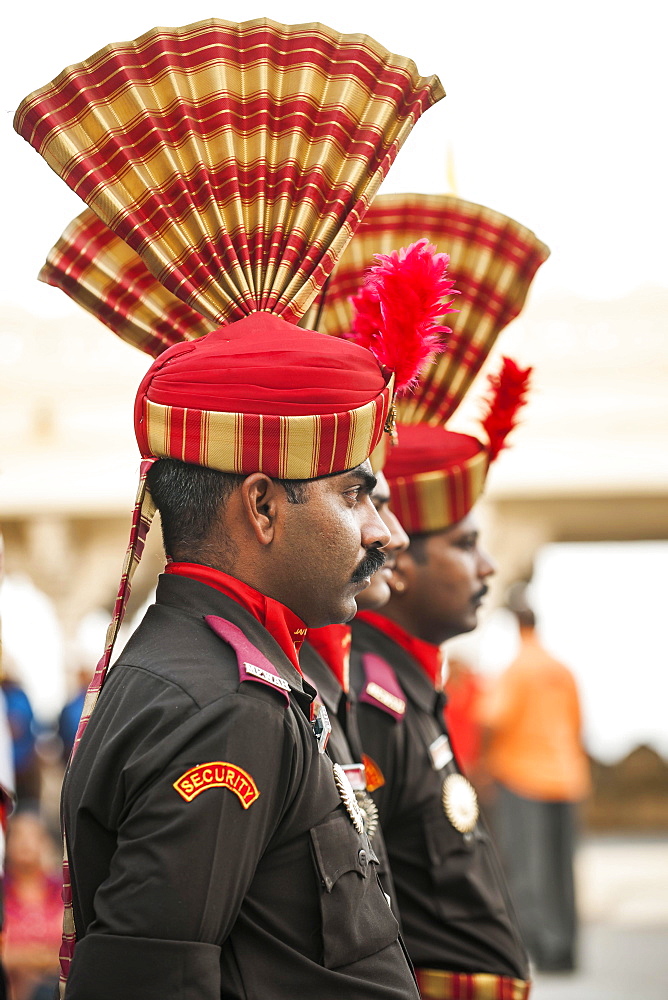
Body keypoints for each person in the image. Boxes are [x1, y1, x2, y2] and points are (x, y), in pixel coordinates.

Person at [15, 17, 446, 999]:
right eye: (350, 493)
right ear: (260, 505)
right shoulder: (221, 705)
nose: (378, 529)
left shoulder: (228, 674)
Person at [313, 193, 549, 998]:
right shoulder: (367, 695)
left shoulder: (403, 685)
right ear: (398, 559)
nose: (487, 568)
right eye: (467, 544)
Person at [477, 595, 591, 972]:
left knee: (526, 867)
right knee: (562, 868)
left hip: (522, 776)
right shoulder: (561, 669)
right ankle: (566, 949)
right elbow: (577, 724)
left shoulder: (517, 670)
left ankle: (539, 947)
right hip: (567, 776)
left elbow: (492, 718)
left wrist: (485, 764)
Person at [3, 812, 61, 1000]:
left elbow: (76, 949)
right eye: (18, 835)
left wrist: (20, 956)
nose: (25, 843)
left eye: (33, 836)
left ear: (46, 843)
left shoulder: (63, 891)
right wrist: (43, 957)